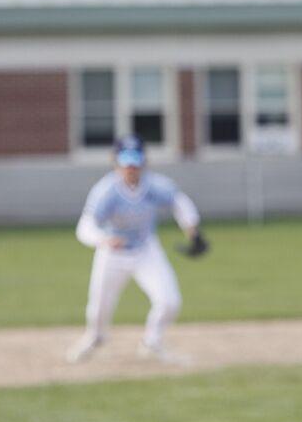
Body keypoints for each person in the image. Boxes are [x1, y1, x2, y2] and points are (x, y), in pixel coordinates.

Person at [67, 135, 208, 363]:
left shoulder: (154, 185)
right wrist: (103, 239)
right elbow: (84, 226)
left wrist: (193, 231)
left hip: (145, 249)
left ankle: (152, 341)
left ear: (144, 162)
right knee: (98, 307)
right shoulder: (106, 191)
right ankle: (95, 337)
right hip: (112, 254)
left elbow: (179, 202)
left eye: (135, 162)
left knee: (169, 301)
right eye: (126, 163)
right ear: (115, 162)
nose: (131, 168)